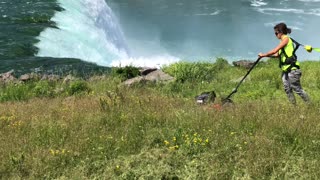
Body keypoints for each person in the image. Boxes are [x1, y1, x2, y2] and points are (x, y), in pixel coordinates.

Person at [258, 22, 310, 105]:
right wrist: (264, 57)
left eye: (276, 33)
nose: (275, 35)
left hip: (293, 69)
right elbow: (277, 54)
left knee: (296, 88)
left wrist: (263, 54)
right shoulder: (282, 42)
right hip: (285, 69)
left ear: (281, 32)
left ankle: (310, 105)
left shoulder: (286, 39)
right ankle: (294, 107)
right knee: (287, 88)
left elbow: (275, 50)